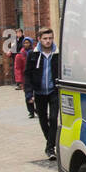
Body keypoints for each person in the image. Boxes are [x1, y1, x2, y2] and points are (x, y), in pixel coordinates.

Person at [28, 27, 61, 159]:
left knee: (53, 118)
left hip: (54, 91)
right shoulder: (33, 54)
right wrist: (29, 93)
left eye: (50, 38)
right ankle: (51, 144)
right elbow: (27, 74)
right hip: (39, 92)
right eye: (45, 39)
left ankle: (50, 148)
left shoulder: (58, 54)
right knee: (42, 118)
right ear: (39, 39)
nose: (48, 41)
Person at [14, 37, 36, 117]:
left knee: (37, 94)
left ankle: (37, 109)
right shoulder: (19, 55)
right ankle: (31, 111)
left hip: (35, 77)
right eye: (25, 43)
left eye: (28, 43)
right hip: (25, 78)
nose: (26, 44)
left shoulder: (35, 52)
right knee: (28, 94)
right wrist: (19, 81)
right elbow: (17, 69)